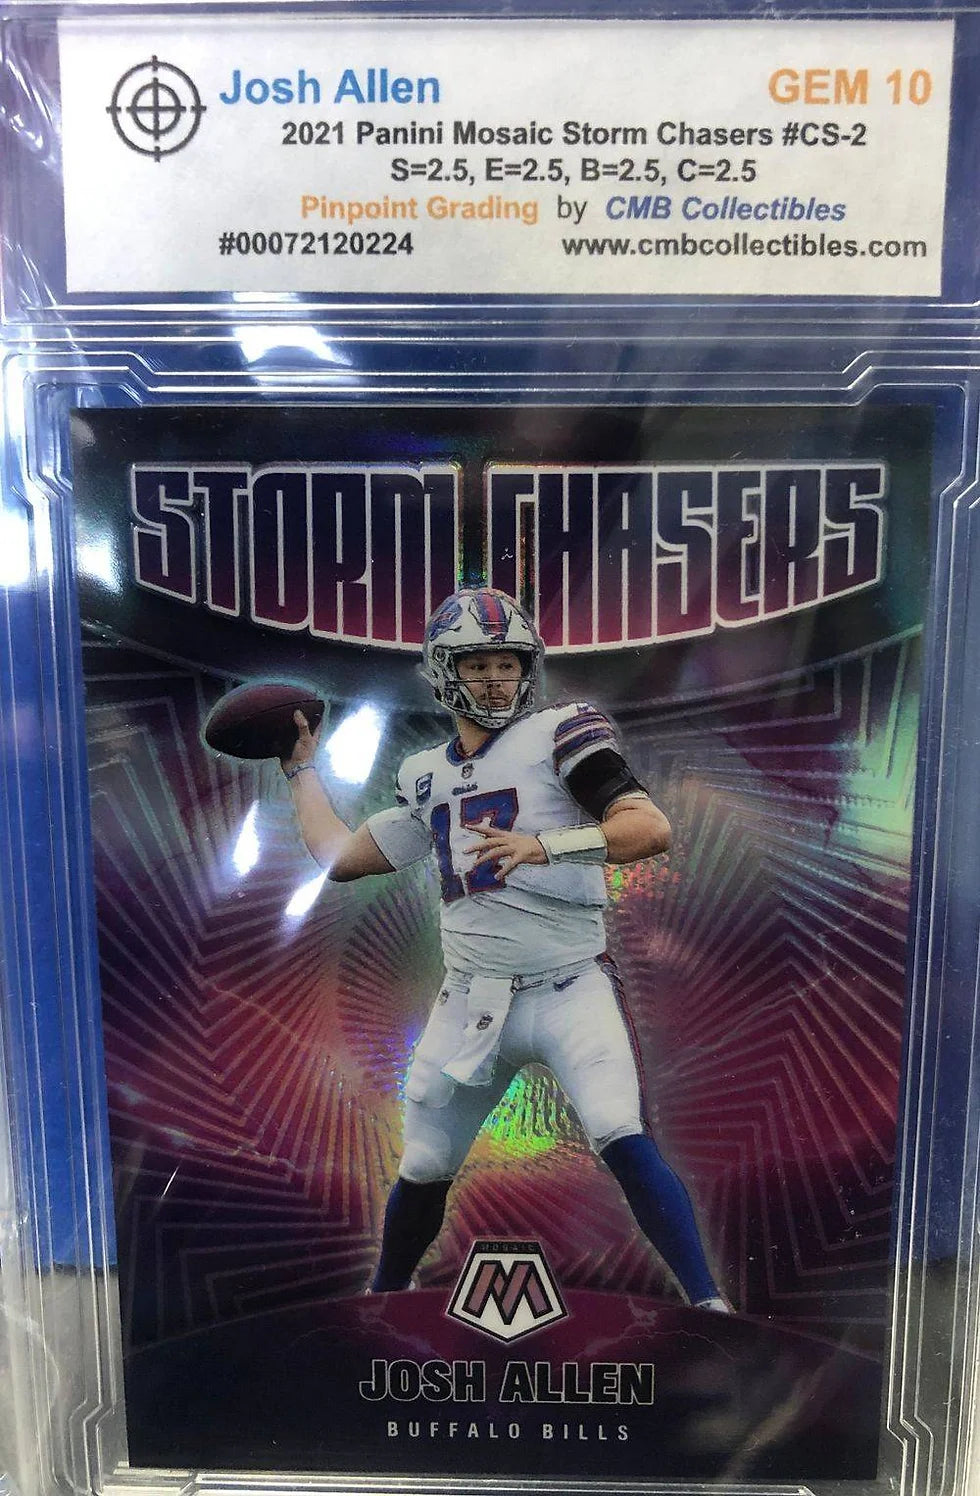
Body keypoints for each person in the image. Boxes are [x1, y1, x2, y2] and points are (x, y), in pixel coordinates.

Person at [282, 587, 728, 1310]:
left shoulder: (560, 733)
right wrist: (299, 769)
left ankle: (709, 1304)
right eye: (477, 664)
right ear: (444, 670)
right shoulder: (424, 773)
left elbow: (649, 828)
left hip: (570, 987)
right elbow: (340, 858)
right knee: (425, 1162)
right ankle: (378, 1305)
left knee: (619, 1130)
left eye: (507, 663)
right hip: (470, 1000)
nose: (495, 679)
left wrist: (545, 845)